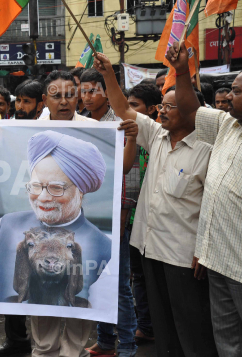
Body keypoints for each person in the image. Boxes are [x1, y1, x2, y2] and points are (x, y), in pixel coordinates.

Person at [95, 50, 218, 357]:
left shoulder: (207, 149)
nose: (161, 113)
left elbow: (214, 205)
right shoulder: (157, 135)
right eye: (161, 106)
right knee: (163, 329)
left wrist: (204, 249)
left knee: (192, 328)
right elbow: (122, 108)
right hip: (150, 250)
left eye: (170, 108)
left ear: (192, 113)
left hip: (184, 257)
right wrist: (109, 74)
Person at [0, 130, 111, 357]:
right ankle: (44, 352)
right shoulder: (9, 226)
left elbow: (93, 299)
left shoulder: (101, 244)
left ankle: (72, 354)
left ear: (81, 190)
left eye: (56, 188)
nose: (44, 197)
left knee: (80, 312)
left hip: (77, 323)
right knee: (43, 323)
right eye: (37, 186)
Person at [167, 40, 242, 357]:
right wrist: (182, 71)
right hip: (218, 260)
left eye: (237, 92)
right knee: (227, 341)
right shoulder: (227, 125)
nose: (230, 97)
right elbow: (189, 108)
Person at [126, 83, 162, 344]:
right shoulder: (126, 135)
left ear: (151, 110)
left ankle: (156, 325)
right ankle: (145, 325)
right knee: (137, 275)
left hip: (156, 222)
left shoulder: (157, 138)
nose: (127, 112)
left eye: (133, 106)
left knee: (154, 277)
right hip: (131, 220)